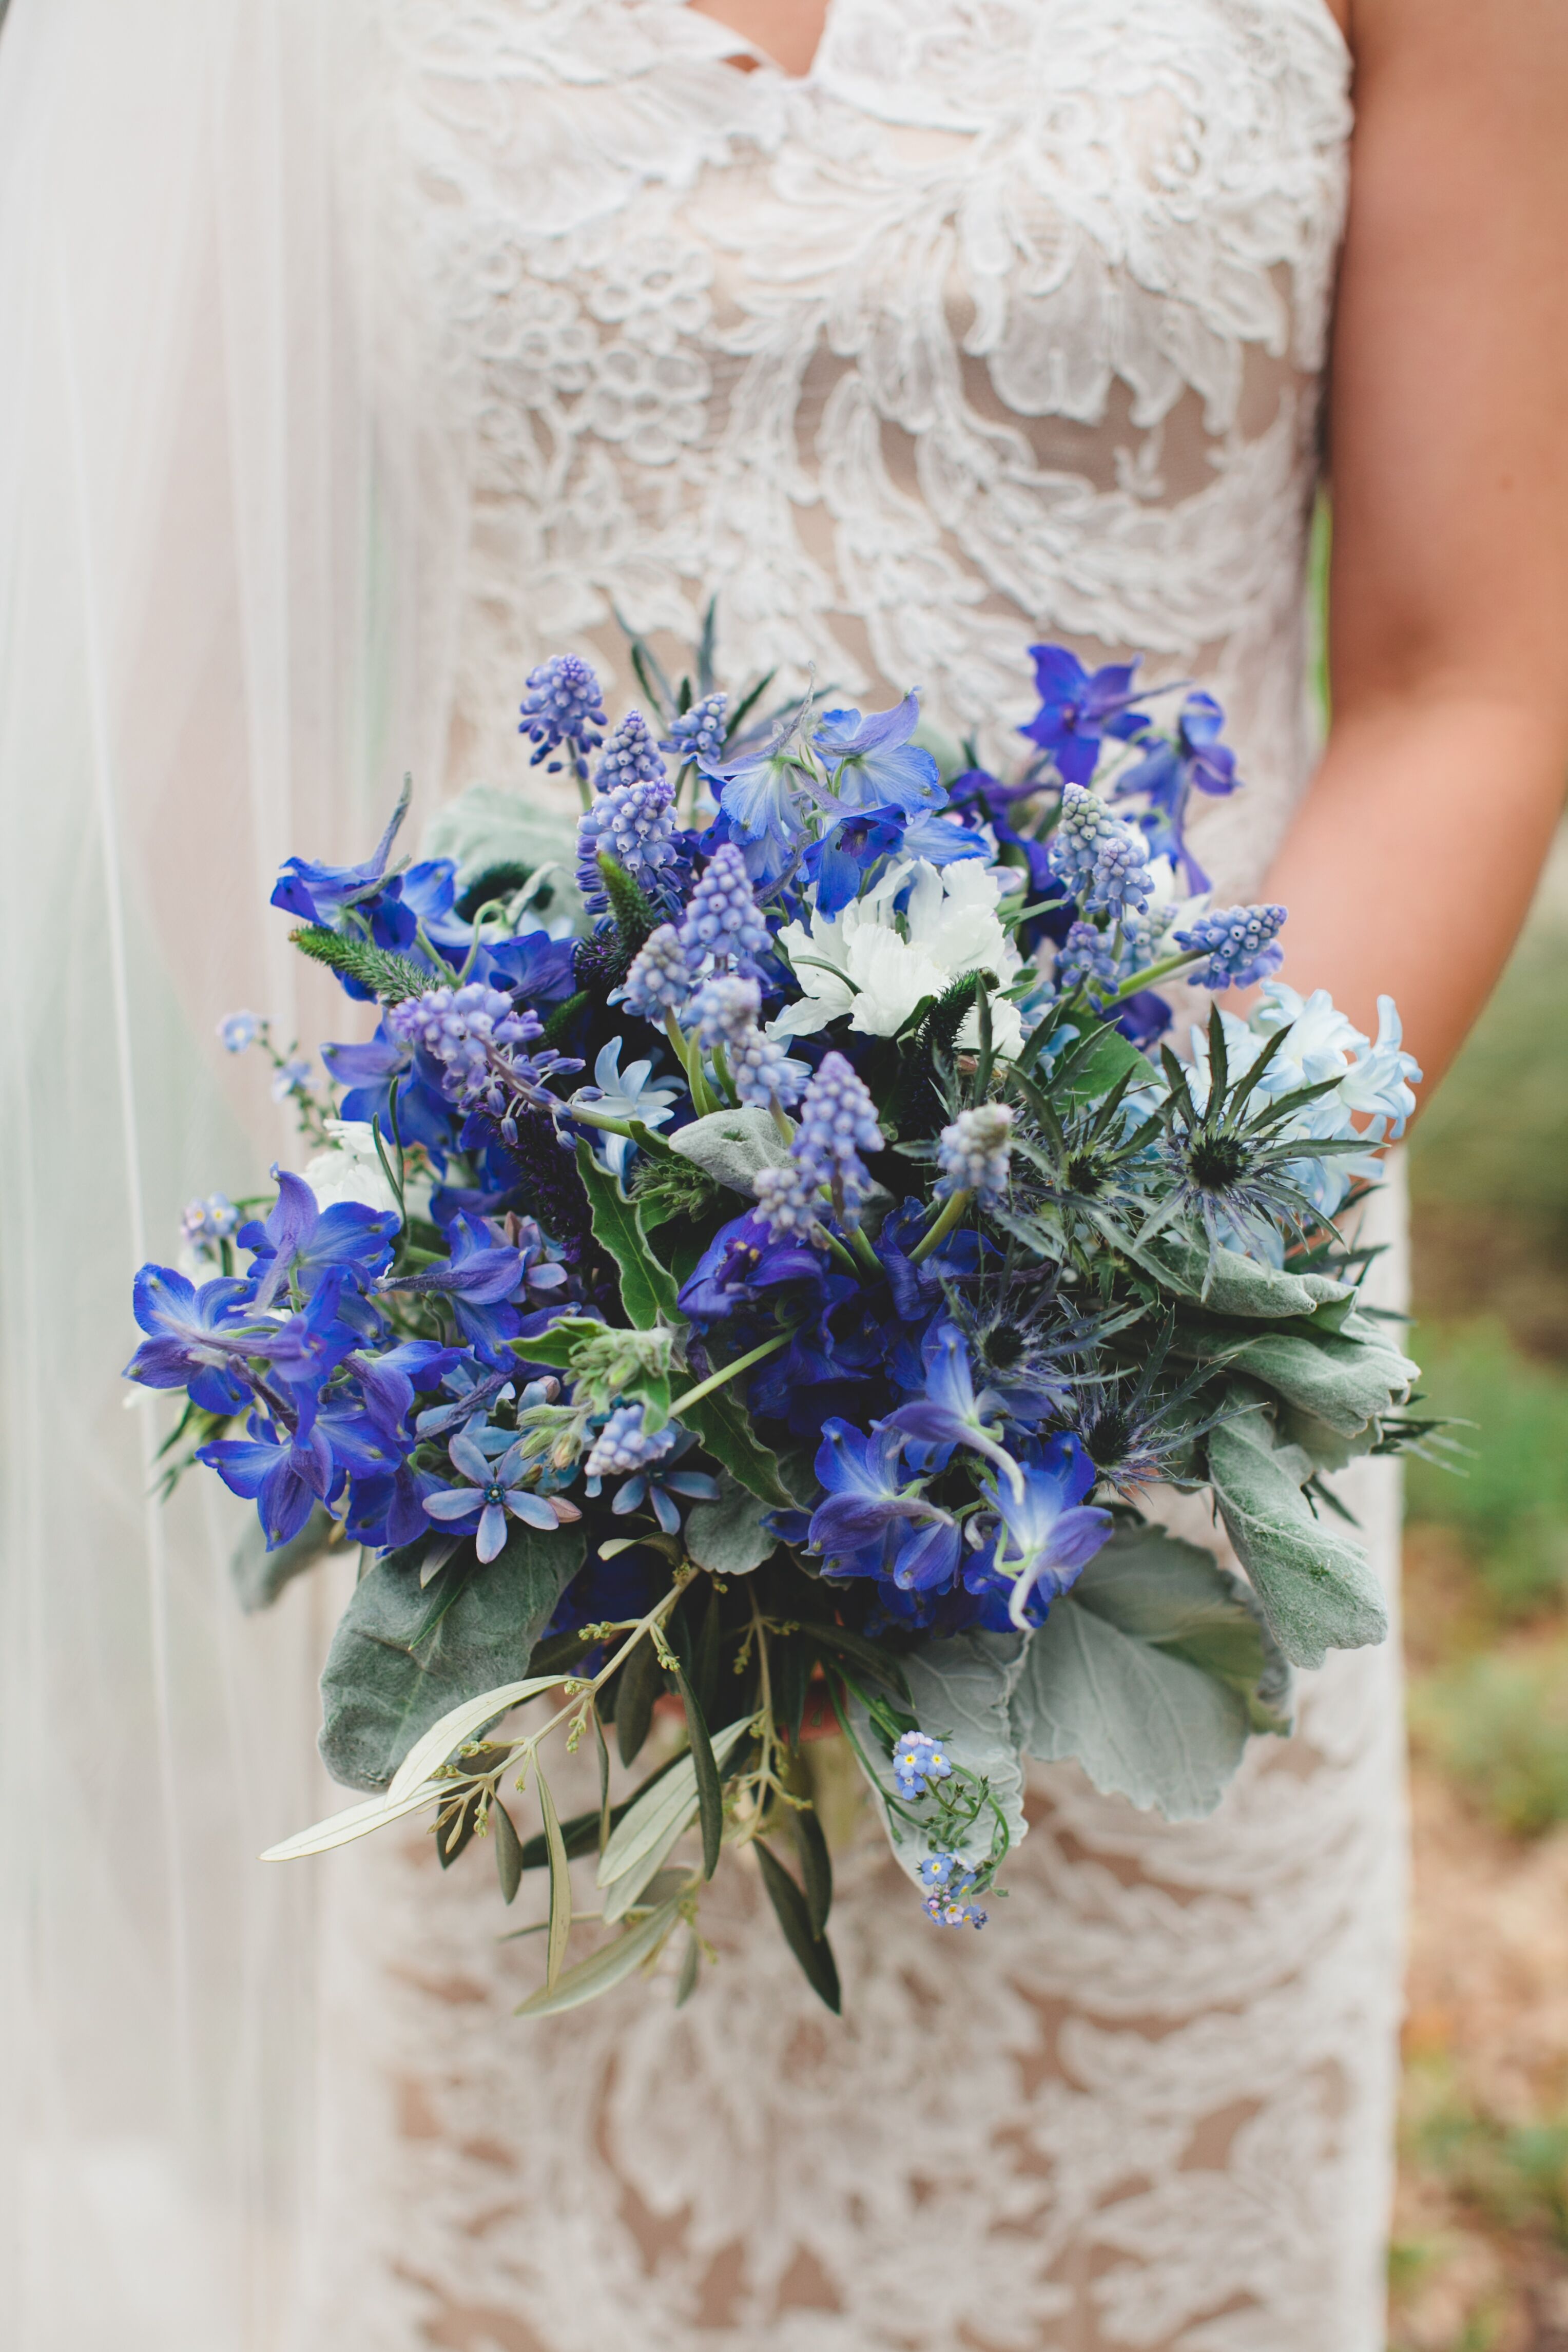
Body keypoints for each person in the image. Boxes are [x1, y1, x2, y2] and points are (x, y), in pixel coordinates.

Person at [1, 2, 1563, 2346]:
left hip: (1129, 1474)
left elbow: (1469, 680)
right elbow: (209, 687)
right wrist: (492, 1316)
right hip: (548, 1486)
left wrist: (1109, 1328)